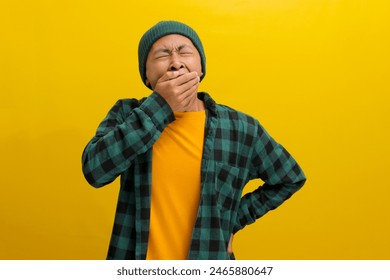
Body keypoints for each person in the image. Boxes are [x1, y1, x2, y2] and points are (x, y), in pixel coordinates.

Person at [81, 20, 306, 260]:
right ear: (146, 76)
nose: (176, 62)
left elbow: (290, 177)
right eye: (162, 54)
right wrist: (161, 107)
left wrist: (232, 221)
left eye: (185, 51)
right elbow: (95, 171)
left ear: (200, 69)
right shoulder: (126, 114)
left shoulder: (241, 128)